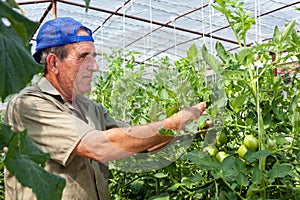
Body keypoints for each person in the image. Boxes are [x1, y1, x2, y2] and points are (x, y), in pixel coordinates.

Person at [4, 17, 211, 200]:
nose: (94, 66)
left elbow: (140, 144)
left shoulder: (91, 108)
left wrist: (185, 128)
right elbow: (97, 146)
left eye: (94, 57)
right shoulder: (29, 106)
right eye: (84, 56)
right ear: (53, 63)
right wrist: (172, 123)